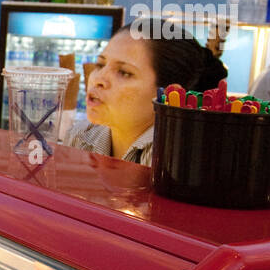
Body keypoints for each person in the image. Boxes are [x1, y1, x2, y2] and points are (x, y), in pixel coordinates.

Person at [65, 17, 227, 166]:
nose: (98, 79)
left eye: (124, 72)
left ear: (169, 96)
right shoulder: (79, 138)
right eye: (100, 65)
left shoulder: (177, 160)